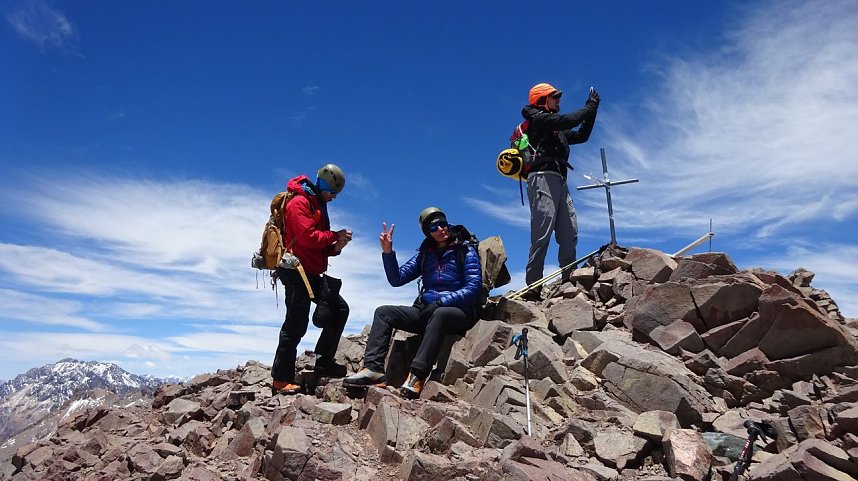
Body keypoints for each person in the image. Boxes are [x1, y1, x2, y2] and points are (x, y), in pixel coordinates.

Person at [344, 207, 482, 398]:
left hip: (460, 312)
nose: (440, 229)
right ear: (428, 232)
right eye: (434, 227)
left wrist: (442, 302)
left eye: (442, 223)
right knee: (383, 312)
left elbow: (473, 287)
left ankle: (417, 376)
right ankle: (373, 370)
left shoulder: (465, 248)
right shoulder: (425, 253)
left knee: (440, 314)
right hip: (427, 310)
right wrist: (388, 252)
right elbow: (397, 279)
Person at [271, 163, 352, 395]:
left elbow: (316, 244)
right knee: (295, 322)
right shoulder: (299, 202)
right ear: (324, 185)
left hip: (311, 272)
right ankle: (281, 378)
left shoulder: (316, 204)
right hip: (296, 272)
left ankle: (324, 361)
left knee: (339, 308)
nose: (334, 197)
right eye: (332, 192)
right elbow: (306, 237)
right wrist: (333, 236)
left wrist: (336, 246)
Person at [520, 82, 600, 301]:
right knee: (542, 232)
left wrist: (593, 111)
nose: (558, 100)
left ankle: (568, 280)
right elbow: (571, 120)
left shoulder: (556, 128)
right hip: (542, 179)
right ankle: (533, 287)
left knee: (569, 231)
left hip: (560, 181)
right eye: (554, 96)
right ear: (542, 100)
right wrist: (590, 106)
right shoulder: (539, 120)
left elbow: (582, 135)